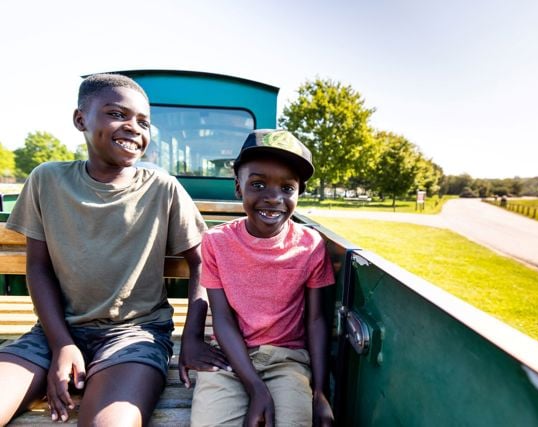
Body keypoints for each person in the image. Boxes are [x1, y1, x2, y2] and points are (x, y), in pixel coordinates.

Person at [0, 73, 223, 426]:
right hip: (53, 331)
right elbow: (38, 268)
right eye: (118, 114)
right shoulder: (47, 180)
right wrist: (61, 345)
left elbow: (204, 262)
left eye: (144, 122)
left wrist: (192, 336)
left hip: (134, 336)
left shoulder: (162, 188)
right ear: (80, 120)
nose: (134, 127)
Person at [190, 129, 335, 426]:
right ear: (238, 188)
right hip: (229, 358)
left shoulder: (310, 245)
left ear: (299, 193)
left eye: (287, 188)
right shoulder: (217, 242)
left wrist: (320, 393)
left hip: (288, 360)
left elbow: (316, 320)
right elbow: (222, 318)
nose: (273, 198)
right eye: (258, 184)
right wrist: (256, 388)